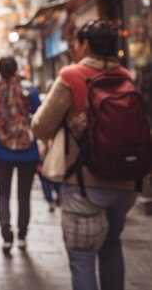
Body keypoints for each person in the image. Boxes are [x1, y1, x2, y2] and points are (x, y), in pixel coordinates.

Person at [31, 20, 138, 290]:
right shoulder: (125, 75)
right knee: (112, 246)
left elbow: (40, 125)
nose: (73, 49)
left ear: (86, 44)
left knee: (82, 257)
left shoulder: (71, 75)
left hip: (84, 182)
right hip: (126, 182)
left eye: (76, 43)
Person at [0, 56, 41, 254]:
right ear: (16, 70)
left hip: (3, 151)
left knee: (3, 194)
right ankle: (22, 236)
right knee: (24, 195)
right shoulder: (29, 90)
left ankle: (7, 237)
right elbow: (40, 118)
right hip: (29, 151)